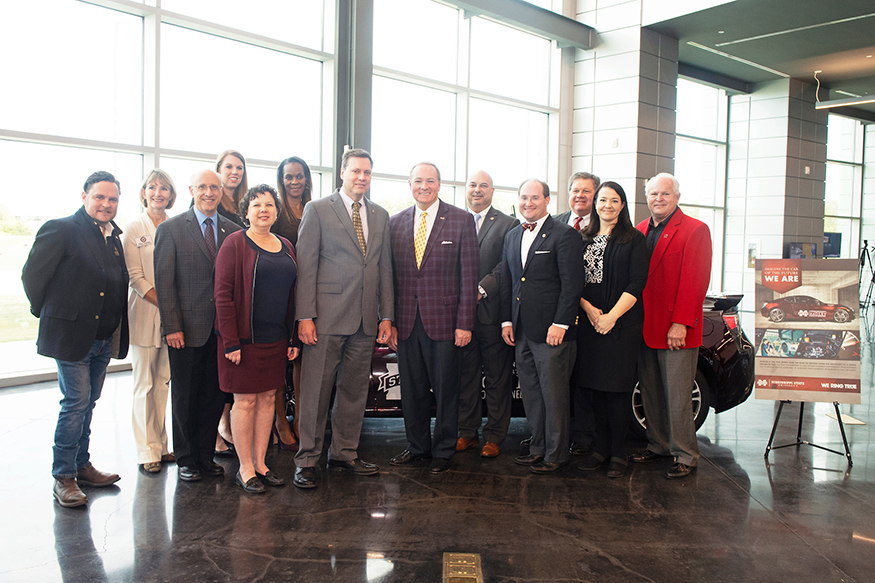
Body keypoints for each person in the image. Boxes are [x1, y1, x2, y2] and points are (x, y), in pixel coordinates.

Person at [22, 171, 128, 507]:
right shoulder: (63, 229)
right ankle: (63, 476)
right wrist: (50, 313)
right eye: (100, 197)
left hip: (101, 339)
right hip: (72, 336)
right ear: (84, 196)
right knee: (75, 403)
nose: (106, 204)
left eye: (112, 199)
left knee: (88, 402)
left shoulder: (113, 237)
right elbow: (33, 276)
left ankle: (82, 466)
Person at [292, 148, 394, 489]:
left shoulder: (380, 215)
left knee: (353, 393)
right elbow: (305, 267)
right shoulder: (318, 210)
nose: (361, 177)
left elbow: (384, 269)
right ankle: (307, 459)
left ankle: (345, 453)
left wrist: (387, 316)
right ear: (342, 173)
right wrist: (305, 316)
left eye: (367, 172)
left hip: (365, 321)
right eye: (356, 171)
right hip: (326, 319)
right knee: (316, 392)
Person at [388, 162, 479, 474]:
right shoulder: (395, 222)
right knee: (412, 391)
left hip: (445, 323)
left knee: (446, 390)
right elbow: (391, 277)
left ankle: (443, 450)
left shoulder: (461, 220)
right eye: (417, 181)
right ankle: (417, 447)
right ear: (410, 184)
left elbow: (469, 278)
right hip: (407, 322)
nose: (423, 186)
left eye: (430, 181)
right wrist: (388, 320)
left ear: (439, 184)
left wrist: (464, 323)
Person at [154, 168, 242, 483]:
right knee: (185, 397)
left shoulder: (234, 231)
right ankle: (187, 459)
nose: (209, 193)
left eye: (214, 187)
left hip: (220, 332)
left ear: (222, 191)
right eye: (203, 187)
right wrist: (172, 326)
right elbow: (164, 284)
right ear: (192, 189)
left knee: (213, 397)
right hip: (186, 331)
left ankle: (205, 456)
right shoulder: (173, 229)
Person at [215, 185, 299, 494]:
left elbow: (293, 295)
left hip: (276, 339)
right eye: (256, 205)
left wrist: (292, 338)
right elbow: (222, 295)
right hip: (243, 341)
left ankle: (261, 463)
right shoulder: (235, 244)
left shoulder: (287, 245)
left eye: (268, 205)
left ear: (276, 211)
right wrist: (231, 341)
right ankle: (245, 468)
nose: (263, 210)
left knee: (267, 401)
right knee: (245, 401)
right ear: (245, 212)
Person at [631, 172, 712, 480]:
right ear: (647, 197)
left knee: (678, 397)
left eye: (665, 194)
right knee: (650, 392)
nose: (659, 199)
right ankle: (658, 444)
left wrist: (680, 323)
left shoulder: (695, 230)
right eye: (653, 194)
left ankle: (685, 455)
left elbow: (695, 282)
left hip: (675, 329)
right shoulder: (639, 230)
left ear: (677, 197)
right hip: (645, 327)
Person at [500, 179, 584, 474]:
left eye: (535, 198)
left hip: (553, 332)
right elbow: (509, 282)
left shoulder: (564, 235)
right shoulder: (512, 236)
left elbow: (573, 285)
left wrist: (560, 323)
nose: (528, 203)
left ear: (547, 200)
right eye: (524, 197)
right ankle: (537, 447)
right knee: (532, 393)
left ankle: (557, 453)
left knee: (554, 394)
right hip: (521, 329)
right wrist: (507, 320)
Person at [575, 182, 648, 478]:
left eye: (614, 200)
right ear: (595, 203)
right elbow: (572, 280)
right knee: (593, 390)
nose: (607, 205)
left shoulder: (634, 239)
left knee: (616, 392)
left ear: (622, 205)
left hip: (620, 326)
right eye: (602, 200)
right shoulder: (583, 237)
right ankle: (600, 449)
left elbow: (636, 283)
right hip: (590, 324)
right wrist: (591, 312)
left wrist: (611, 317)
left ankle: (619, 453)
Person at [456, 170, 519, 458]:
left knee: (496, 379)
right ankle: (466, 433)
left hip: (493, 315)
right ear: (466, 189)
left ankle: (494, 436)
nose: (477, 190)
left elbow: (506, 265)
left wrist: (480, 290)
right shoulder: (454, 220)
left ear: (492, 191)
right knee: (466, 377)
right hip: (460, 319)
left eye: (483, 185)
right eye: (472, 185)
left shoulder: (508, 224)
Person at [121, 169, 177, 473]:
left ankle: (162, 445)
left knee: (162, 381)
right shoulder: (133, 229)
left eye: (164, 188)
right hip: (144, 312)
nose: (158, 193)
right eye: (152, 187)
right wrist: (166, 303)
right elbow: (135, 278)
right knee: (143, 383)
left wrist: (173, 309)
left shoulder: (176, 225)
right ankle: (146, 451)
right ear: (143, 192)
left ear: (171, 194)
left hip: (172, 318)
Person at [270, 156, 314, 452]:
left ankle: (300, 417)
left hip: (307, 291)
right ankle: (279, 421)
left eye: (299, 176)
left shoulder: (315, 209)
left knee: (302, 359)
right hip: (277, 292)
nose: (294, 181)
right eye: (289, 177)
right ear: (281, 180)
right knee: (275, 360)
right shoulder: (275, 212)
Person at [555, 171, 600, 456]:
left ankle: (584, 436)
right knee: (559, 379)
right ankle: (556, 434)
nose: (580, 195)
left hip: (590, 313)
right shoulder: (557, 222)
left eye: (586, 191)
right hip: (557, 314)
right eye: (575, 190)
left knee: (585, 376)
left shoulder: (604, 225)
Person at [213, 150, 247, 456]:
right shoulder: (212, 204)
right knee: (219, 373)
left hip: (243, 303)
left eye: (239, 167)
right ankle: (220, 427)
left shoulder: (243, 207)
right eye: (228, 167)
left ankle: (228, 425)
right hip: (219, 300)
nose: (234, 172)